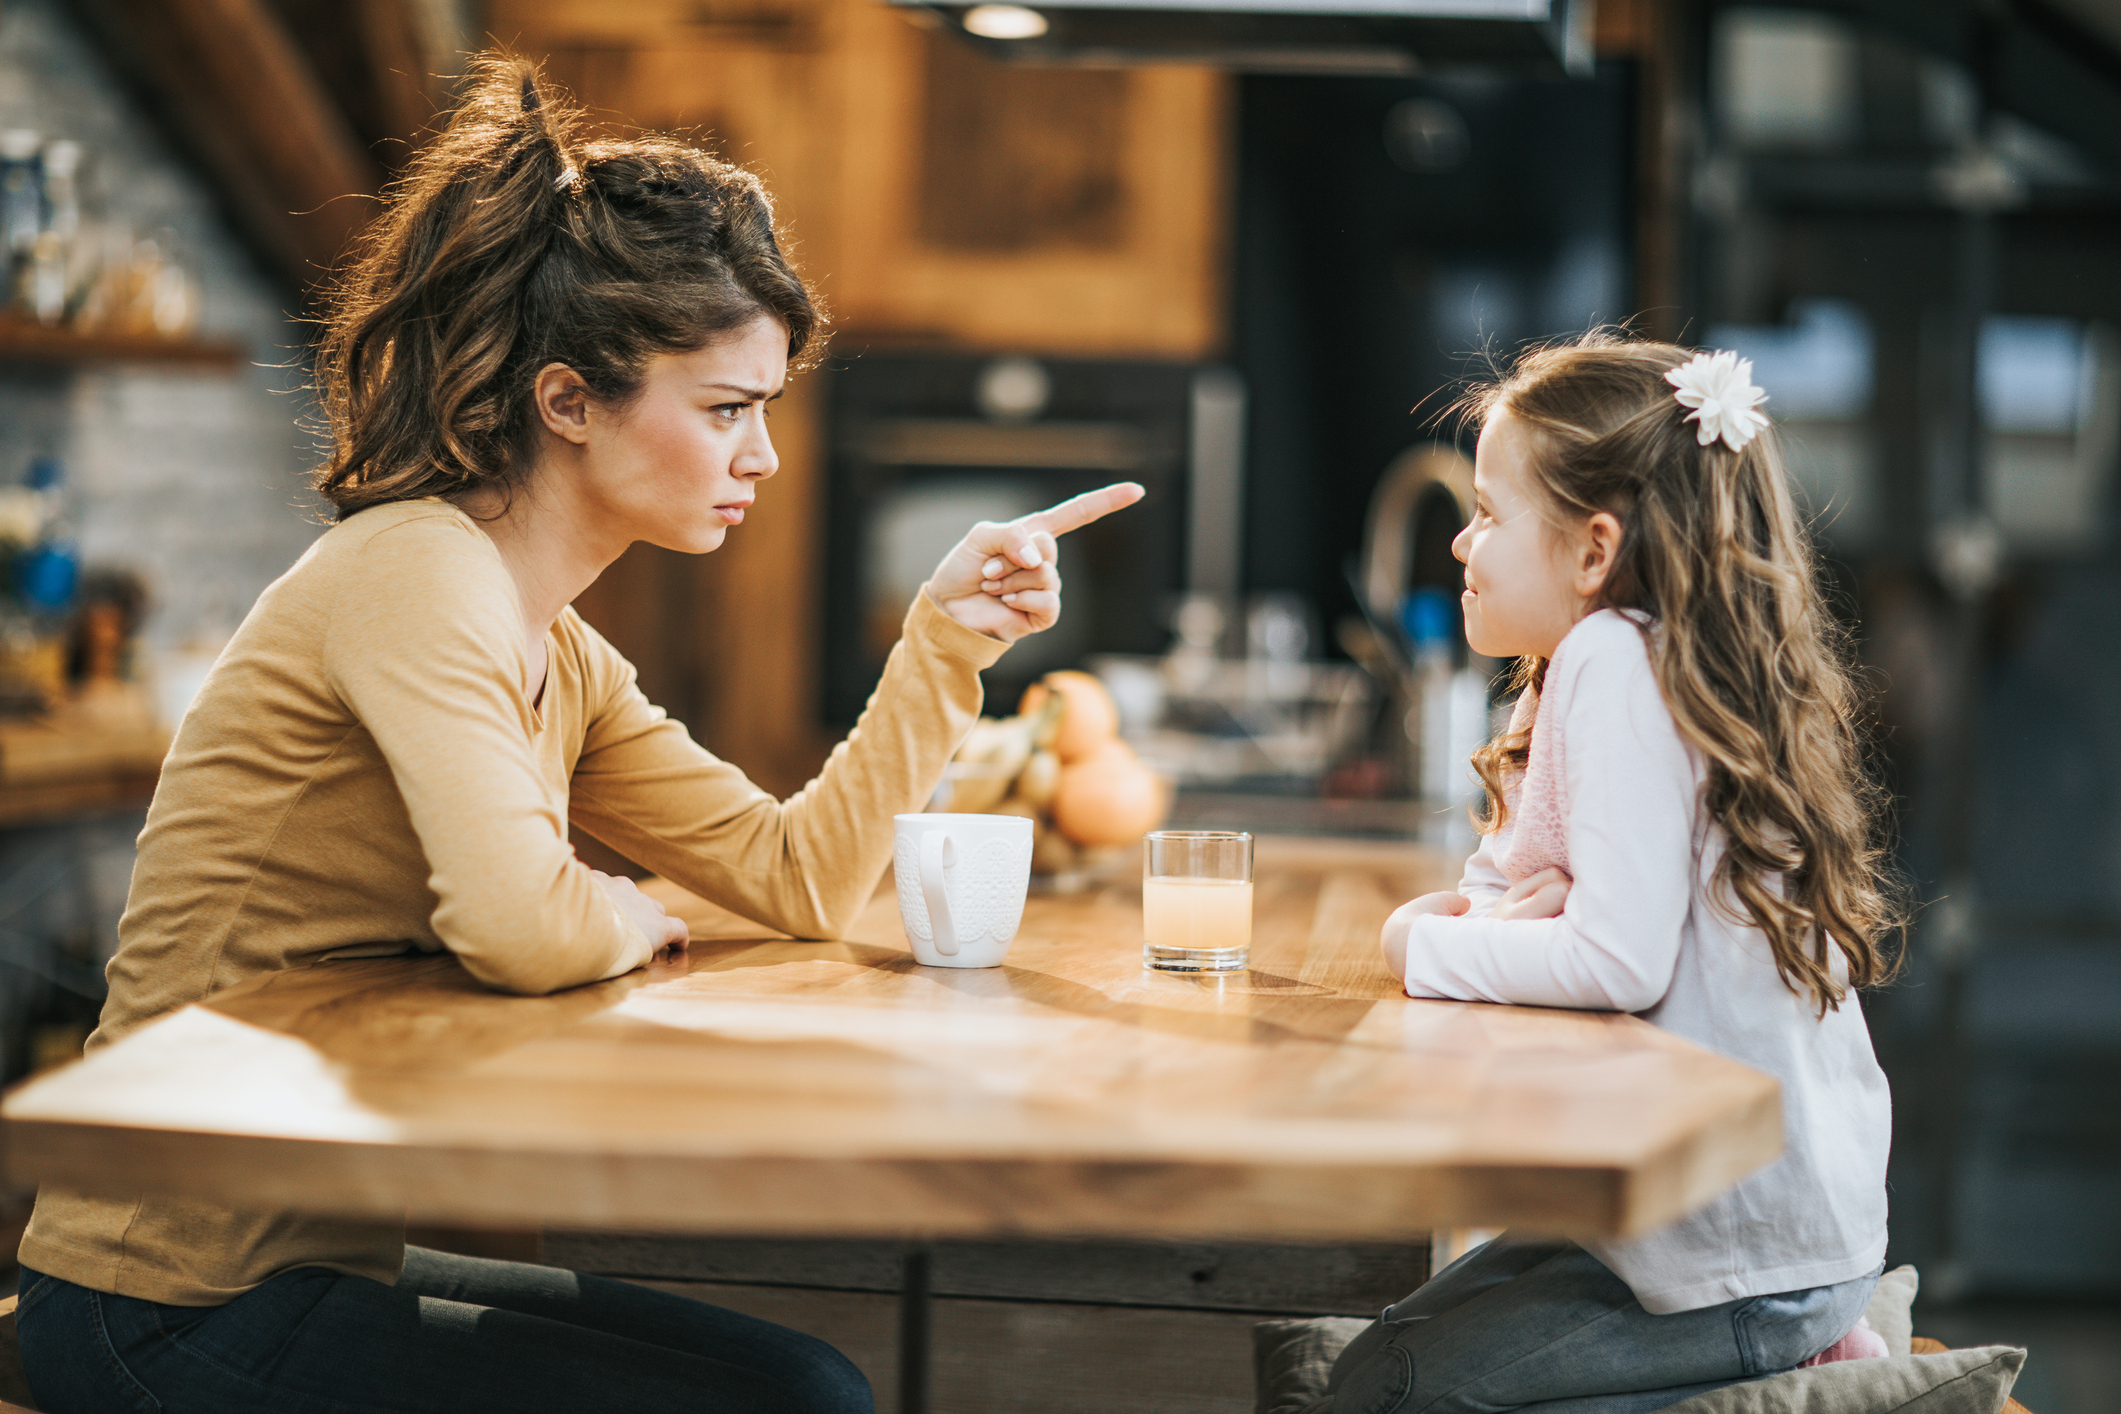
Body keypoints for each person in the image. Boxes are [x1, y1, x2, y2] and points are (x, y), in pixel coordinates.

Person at [13, 56, 1140, 1414]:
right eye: (726, 408)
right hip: (166, 1298)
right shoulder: (416, 574)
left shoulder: (551, 643)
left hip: (321, 1263)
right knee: (797, 1404)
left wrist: (941, 642)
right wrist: (612, 910)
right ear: (568, 402)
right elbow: (519, 922)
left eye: (766, 409)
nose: (761, 457)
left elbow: (796, 877)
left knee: (805, 1378)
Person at [1344, 333, 1904, 1414]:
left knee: (1391, 1383)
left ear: (1594, 549)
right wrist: (1515, 921)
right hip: (1747, 1235)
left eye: (1490, 513)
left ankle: (1802, 1369)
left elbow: (1614, 956)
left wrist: (1416, 941)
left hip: (1748, 1261)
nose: (1463, 542)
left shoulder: (1612, 660)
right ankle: (1803, 1355)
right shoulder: (1613, 660)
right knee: (1389, 1352)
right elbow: (1521, 893)